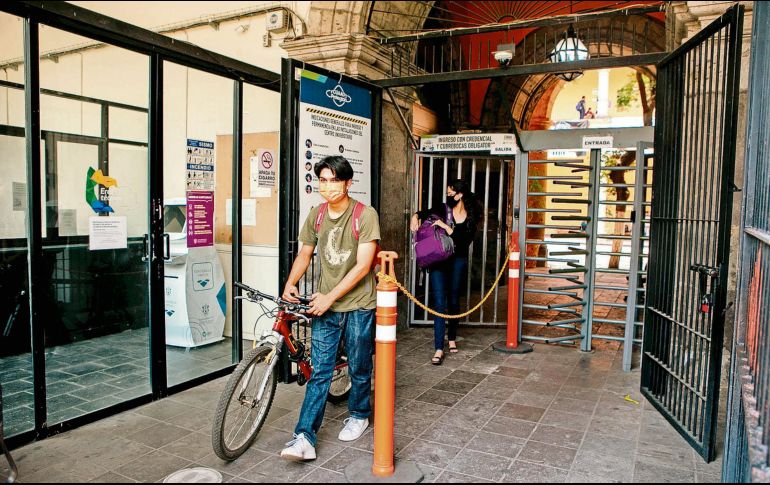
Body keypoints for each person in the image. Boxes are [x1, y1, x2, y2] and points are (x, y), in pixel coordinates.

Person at [280, 155, 380, 461]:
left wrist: (329, 297)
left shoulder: (365, 215)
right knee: (320, 371)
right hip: (325, 305)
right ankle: (304, 438)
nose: (328, 186)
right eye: (323, 180)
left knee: (359, 366)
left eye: (334, 180)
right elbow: (305, 254)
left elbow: (363, 267)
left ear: (348, 183)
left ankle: (360, 414)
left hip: (359, 305)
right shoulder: (317, 215)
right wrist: (290, 282)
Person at [410, 179, 480, 365]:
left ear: (461, 195)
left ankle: (452, 337)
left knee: (454, 300)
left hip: (458, 261)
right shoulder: (442, 208)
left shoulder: (472, 215)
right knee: (439, 301)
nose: (448, 197)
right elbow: (424, 213)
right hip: (439, 259)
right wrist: (415, 217)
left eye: (451, 194)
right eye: (447, 194)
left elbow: (464, 242)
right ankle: (439, 348)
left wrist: (446, 227)